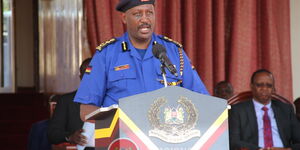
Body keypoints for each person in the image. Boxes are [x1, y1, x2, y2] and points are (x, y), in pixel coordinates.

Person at [74, 0, 209, 119]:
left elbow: (203, 101)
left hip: (168, 138)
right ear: (124, 18)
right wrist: (122, 120)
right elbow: (86, 111)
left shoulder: (173, 52)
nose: (145, 19)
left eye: (149, 13)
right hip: (123, 140)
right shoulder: (106, 55)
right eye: (137, 14)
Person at [229, 69, 300, 150]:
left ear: (273, 89)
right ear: (251, 86)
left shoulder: (286, 109)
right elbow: (233, 141)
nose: (264, 88)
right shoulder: (238, 110)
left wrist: (288, 149)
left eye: (269, 85)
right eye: (259, 85)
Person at [48, 58, 92, 148]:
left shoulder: (113, 101)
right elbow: (52, 134)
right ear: (81, 77)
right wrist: (70, 137)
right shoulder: (66, 101)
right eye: (88, 74)